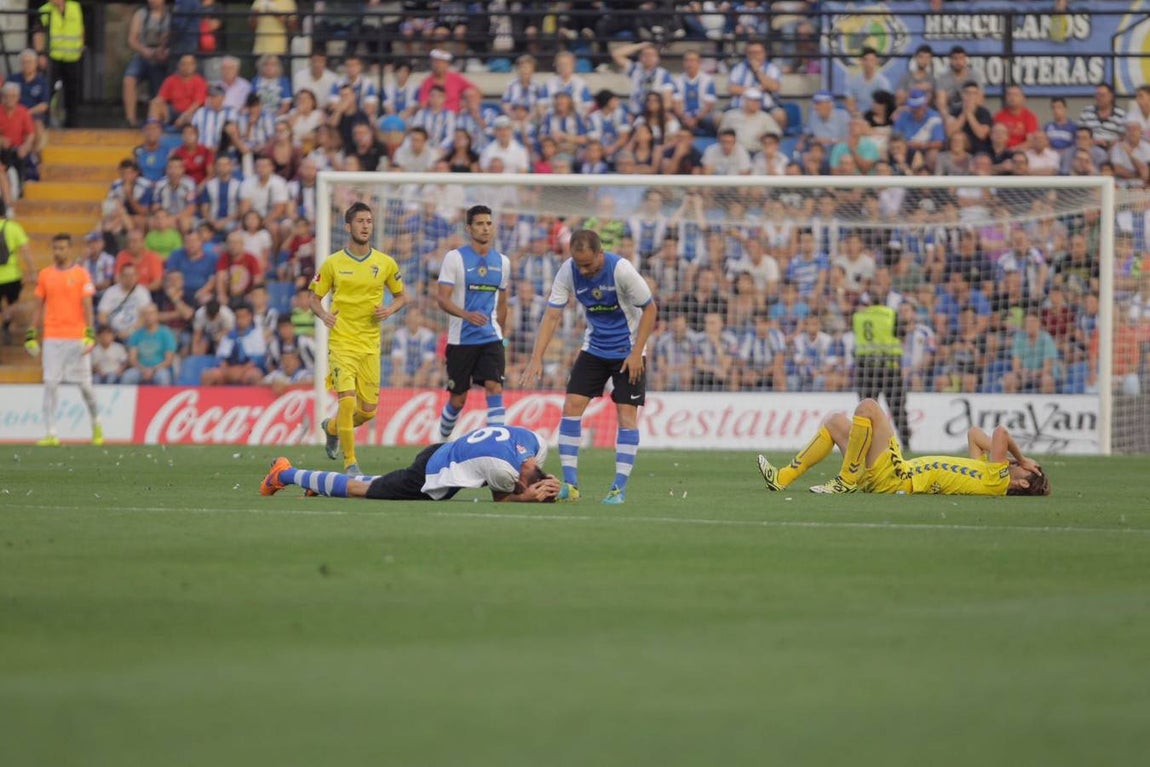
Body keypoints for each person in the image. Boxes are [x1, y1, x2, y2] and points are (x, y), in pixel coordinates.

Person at [521, 229, 657, 505]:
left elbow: (650, 309)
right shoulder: (567, 271)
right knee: (571, 406)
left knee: (626, 414)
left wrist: (636, 352)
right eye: (578, 263)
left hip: (627, 351)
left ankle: (618, 488)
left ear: (600, 254)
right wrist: (536, 357)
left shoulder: (622, 270)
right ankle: (570, 485)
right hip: (594, 348)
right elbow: (552, 315)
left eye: (588, 264)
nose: (582, 270)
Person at [756, 398, 1050, 497]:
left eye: (1017, 468)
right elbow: (975, 434)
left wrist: (1022, 458)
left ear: (1022, 481)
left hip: (898, 476)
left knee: (868, 407)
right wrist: (1018, 459)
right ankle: (782, 479)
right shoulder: (988, 472)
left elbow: (1000, 433)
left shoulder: (997, 481)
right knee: (835, 422)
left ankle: (846, 480)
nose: (1011, 463)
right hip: (893, 473)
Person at [311, 202, 407, 475]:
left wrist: (389, 309)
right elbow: (314, 299)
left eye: (369, 221)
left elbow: (402, 296)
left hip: (370, 346)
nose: (366, 226)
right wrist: (324, 315)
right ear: (348, 226)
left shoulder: (385, 263)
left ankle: (332, 428)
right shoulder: (332, 263)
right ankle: (351, 462)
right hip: (342, 343)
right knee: (347, 401)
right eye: (360, 221)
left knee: (367, 412)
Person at [260, 425, 560, 503]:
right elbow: (502, 499)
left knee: (380, 482)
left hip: (446, 454)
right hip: (432, 473)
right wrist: (526, 497)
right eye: (521, 485)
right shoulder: (503, 470)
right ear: (522, 480)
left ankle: (321, 487)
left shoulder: (535, 444)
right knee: (361, 490)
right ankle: (285, 473)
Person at [434, 204, 510, 440]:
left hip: (491, 338)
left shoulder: (503, 262)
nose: (485, 228)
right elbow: (442, 299)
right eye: (479, 224)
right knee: (458, 399)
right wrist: (466, 315)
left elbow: (503, 303)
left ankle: (497, 445)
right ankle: (441, 442)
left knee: (494, 387)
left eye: (488, 223)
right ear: (469, 228)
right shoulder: (455, 258)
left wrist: (502, 337)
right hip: (461, 340)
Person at [25, 233, 103, 446]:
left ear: (70, 249)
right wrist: (32, 331)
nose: (58, 252)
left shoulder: (81, 274)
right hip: (52, 337)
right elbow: (39, 305)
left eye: (62, 248)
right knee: (50, 384)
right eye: (55, 248)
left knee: (85, 387)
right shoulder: (45, 275)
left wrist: (90, 332)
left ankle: (96, 422)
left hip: (76, 337)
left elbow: (87, 305)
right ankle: (51, 432)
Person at [852, 292, 910, 446]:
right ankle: (906, 442)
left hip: (865, 369)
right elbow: (902, 335)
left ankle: (866, 444)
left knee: (867, 409)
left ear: (869, 302)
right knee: (897, 407)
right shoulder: (891, 315)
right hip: (889, 369)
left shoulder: (859, 317)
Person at [34, 0, 84, 128]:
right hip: (53, 57)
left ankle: (71, 124)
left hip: (72, 57)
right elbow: (38, 33)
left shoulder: (75, 7)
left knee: (72, 92)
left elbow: (81, 29)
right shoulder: (44, 10)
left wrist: (80, 47)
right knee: (48, 90)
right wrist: (40, 54)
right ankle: (44, 122)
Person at [0, 203, 34, 344]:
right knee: (13, 302)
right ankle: (6, 321)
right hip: (12, 275)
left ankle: (4, 319)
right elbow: (26, 251)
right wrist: (32, 271)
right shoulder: (13, 227)